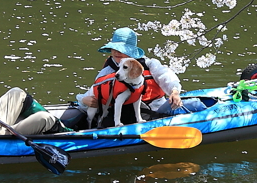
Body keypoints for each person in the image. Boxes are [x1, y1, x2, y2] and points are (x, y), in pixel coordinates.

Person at [78, 27, 206, 125]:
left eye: (121, 49)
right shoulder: (108, 70)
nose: (116, 52)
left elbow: (165, 75)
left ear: (131, 51)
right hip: (128, 116)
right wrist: (84, 100)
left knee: (195, 104)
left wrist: (174, 91)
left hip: (158, 109)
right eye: (114, 48)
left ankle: (208, 120)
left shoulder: (148, 64)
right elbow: (95, 89)